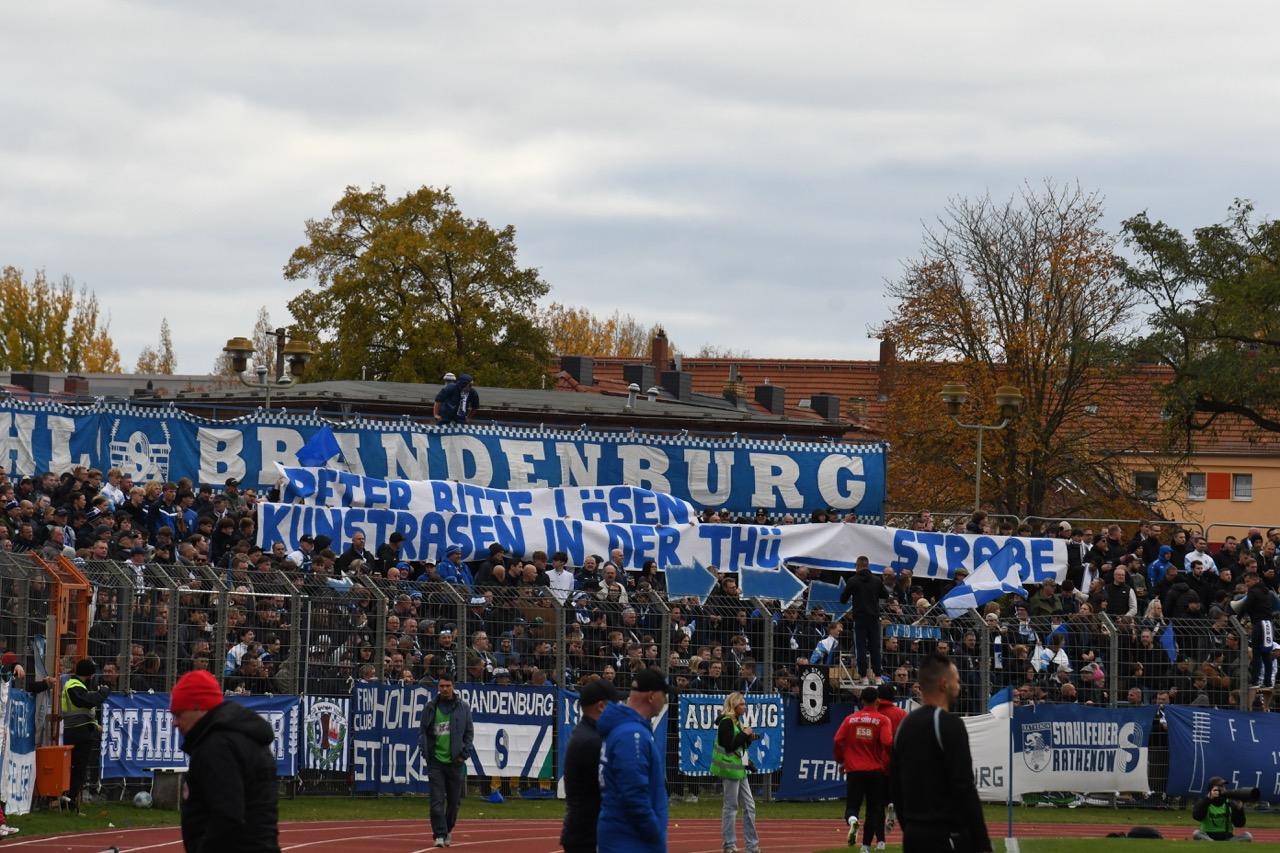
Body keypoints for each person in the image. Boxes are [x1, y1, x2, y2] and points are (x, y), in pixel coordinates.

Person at [889, 653, 991, 853]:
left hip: (913, 836)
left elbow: (895, 784)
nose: (959, 686)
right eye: (957, 681)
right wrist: (982, 844)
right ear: (944, 684)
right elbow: (964, 788)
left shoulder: (904, 725)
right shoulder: (949, 724)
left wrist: (909, 827)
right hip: (947, 836)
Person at [170, 669, 280, 852]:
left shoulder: (217, 745)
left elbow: (227, 815)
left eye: (179, 713)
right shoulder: (243, 736)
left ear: (199, 707)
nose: (174, 722)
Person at [598, 668, 669, 853]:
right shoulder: (632, 734)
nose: (666, 701)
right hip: (630, 839)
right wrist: (653, 831)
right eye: (665, 695)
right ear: (651, 696)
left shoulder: (628, 729)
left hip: (625, 836)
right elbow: (633, 791)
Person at [418, 672, 474, 848]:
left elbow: (469, 733)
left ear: (453, 686)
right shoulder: (430, 707)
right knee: (436, 800)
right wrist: (426, 752)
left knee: (454, 801)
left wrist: (463, 754)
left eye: (447, 686)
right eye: (441, 686)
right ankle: (439, 835)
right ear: (438, 687)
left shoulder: (463, 707)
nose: (444, 689)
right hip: (436, 761)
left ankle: (447, 828)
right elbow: (423, 732)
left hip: (455, 761)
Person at [561, 677, 617, 853]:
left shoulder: (590, 733)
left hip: (587, 832)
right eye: (614, 704)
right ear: (601, 706)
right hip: (588, 836)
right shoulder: (590, 741)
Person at [834, 686, 892, 852]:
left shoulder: (850, 719)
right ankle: (866, 846)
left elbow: (838, 740)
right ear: (877, 700)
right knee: (874, 809)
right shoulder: (882, 720)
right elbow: (887, 742)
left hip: (854, 770)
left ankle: (852, 820)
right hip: (875, 770)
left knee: (852, 805)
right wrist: (886, 760)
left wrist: (841, 761)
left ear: (862, 701)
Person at [712, 691, 761, 853]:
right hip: (729, 768)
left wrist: (748, 739)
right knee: (731, 807)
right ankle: (729, 845)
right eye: (741, 704)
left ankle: (752, 846)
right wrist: (744, 735)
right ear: (734, 705)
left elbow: (740, 746)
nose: (744, 707)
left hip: (739, 768)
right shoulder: (726, 722)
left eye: (744, 704)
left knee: (750, 806)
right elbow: (729, 745)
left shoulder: (737, 722)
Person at [60, 658, 111, 812]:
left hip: (78, 729)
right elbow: (88, 702)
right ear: (90, 674)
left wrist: (94, 724)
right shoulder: (74, 686)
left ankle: (70, 800)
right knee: (78, 769)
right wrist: (104, 691)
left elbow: (82, 710)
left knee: (77, 769)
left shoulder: (77, 685)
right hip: (78, 731)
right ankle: (70, 802)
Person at [1191, 776, 1252, 842]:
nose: (1222, 789)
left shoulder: (1229, 804)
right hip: (1208, 837)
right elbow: (1197, 817)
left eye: (1223, 787)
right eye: (1220, 787)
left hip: (1227, 838)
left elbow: (1239, 824)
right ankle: (1217, 844)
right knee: (1196, 833)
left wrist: (1239, 810)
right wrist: (1208, 799)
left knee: (1247, 836)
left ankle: (1218, 844)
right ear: (1211, 789)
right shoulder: (1204, 802)